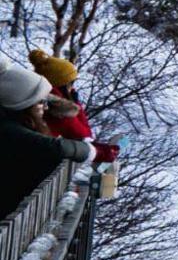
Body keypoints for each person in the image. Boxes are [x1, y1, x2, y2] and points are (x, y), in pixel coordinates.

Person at [2, 66, 103, 205]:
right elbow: (57, 148)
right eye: (41, 102)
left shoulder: (19, 123)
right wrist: (93, 151)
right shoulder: (9, 128)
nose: (46, 107)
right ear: (24, 103)